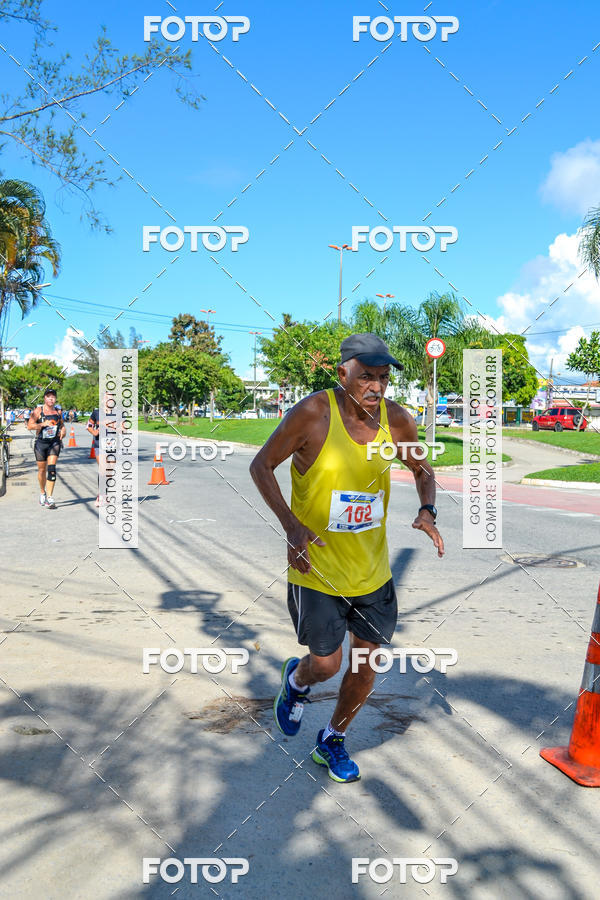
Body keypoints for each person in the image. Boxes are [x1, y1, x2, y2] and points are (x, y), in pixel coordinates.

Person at [250, 333, 445, 783]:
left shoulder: (398, 420)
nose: (376, 387)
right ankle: (297, 682)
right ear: (343, 374)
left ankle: (332, 739)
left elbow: (422, 469)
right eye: (366, 377)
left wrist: (427, 510)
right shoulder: (313, 413)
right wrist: (291, 526)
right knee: (326, 665)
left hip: (372, 572)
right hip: (317, 570)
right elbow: (261, 465)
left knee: (364, 664)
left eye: (383, 378)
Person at [27, 388, 66, 509]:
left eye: (53, 397)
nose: (51, 399)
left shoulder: (58, 411)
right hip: (41, 443)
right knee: (42, 470)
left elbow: (62, 425)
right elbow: (29, 426)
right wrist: (42, 424)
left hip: (54, 443)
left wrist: (63, 431)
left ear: (55, 398)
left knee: (52, 469)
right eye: (48, 396)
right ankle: (42, 492)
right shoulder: (38, 410)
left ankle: (49, 497)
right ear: (45, 398)